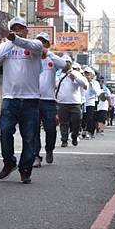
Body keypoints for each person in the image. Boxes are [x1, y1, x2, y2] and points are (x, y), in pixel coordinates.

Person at [0, 16, 43, 184]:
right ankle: (9, 161)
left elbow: (32, 45)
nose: (17, 30)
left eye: (21, 28)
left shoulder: (36, 45)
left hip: (30, 100)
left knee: (29, 137)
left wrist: (16, 39)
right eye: (14, 28)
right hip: (10, 98)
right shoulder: (6, 46)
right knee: (5, 131)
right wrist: (10, 40)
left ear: (27, 31)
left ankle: (25, 168)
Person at [33, 33, 68, 167]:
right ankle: (36, 155)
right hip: (33, 99)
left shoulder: (52, 59)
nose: (41, 44)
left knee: (50, 129)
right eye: (38, 42)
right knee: (33, 129)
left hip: (48, 100)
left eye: (43, 42)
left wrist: (49, 54)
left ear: (47, 44)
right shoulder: (31, 57)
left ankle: (49, 150)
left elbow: (64, 65)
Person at [55, 58, 88, 147]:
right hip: (62, 103)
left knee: (76, 121)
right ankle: (64, 140)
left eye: (67, 63)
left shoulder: (76, 73)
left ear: (70, 64)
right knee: (63, 123)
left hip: (75, 103)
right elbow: (54, 86)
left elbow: (85, 85)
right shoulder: (58, 74)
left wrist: (75, 78)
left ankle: (74, 135)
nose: (65, 65)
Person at [82, 67, 101, 139]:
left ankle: (89, 132)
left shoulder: (95, 83)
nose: (86, 75)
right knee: (83, 117)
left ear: (92, 75)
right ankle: (83, 130)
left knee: (89, 118)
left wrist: (90, 84)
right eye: (85, 74)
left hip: (91, 102)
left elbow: (97, 92)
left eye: (88, 74)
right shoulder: (82, 81)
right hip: (82, 101)